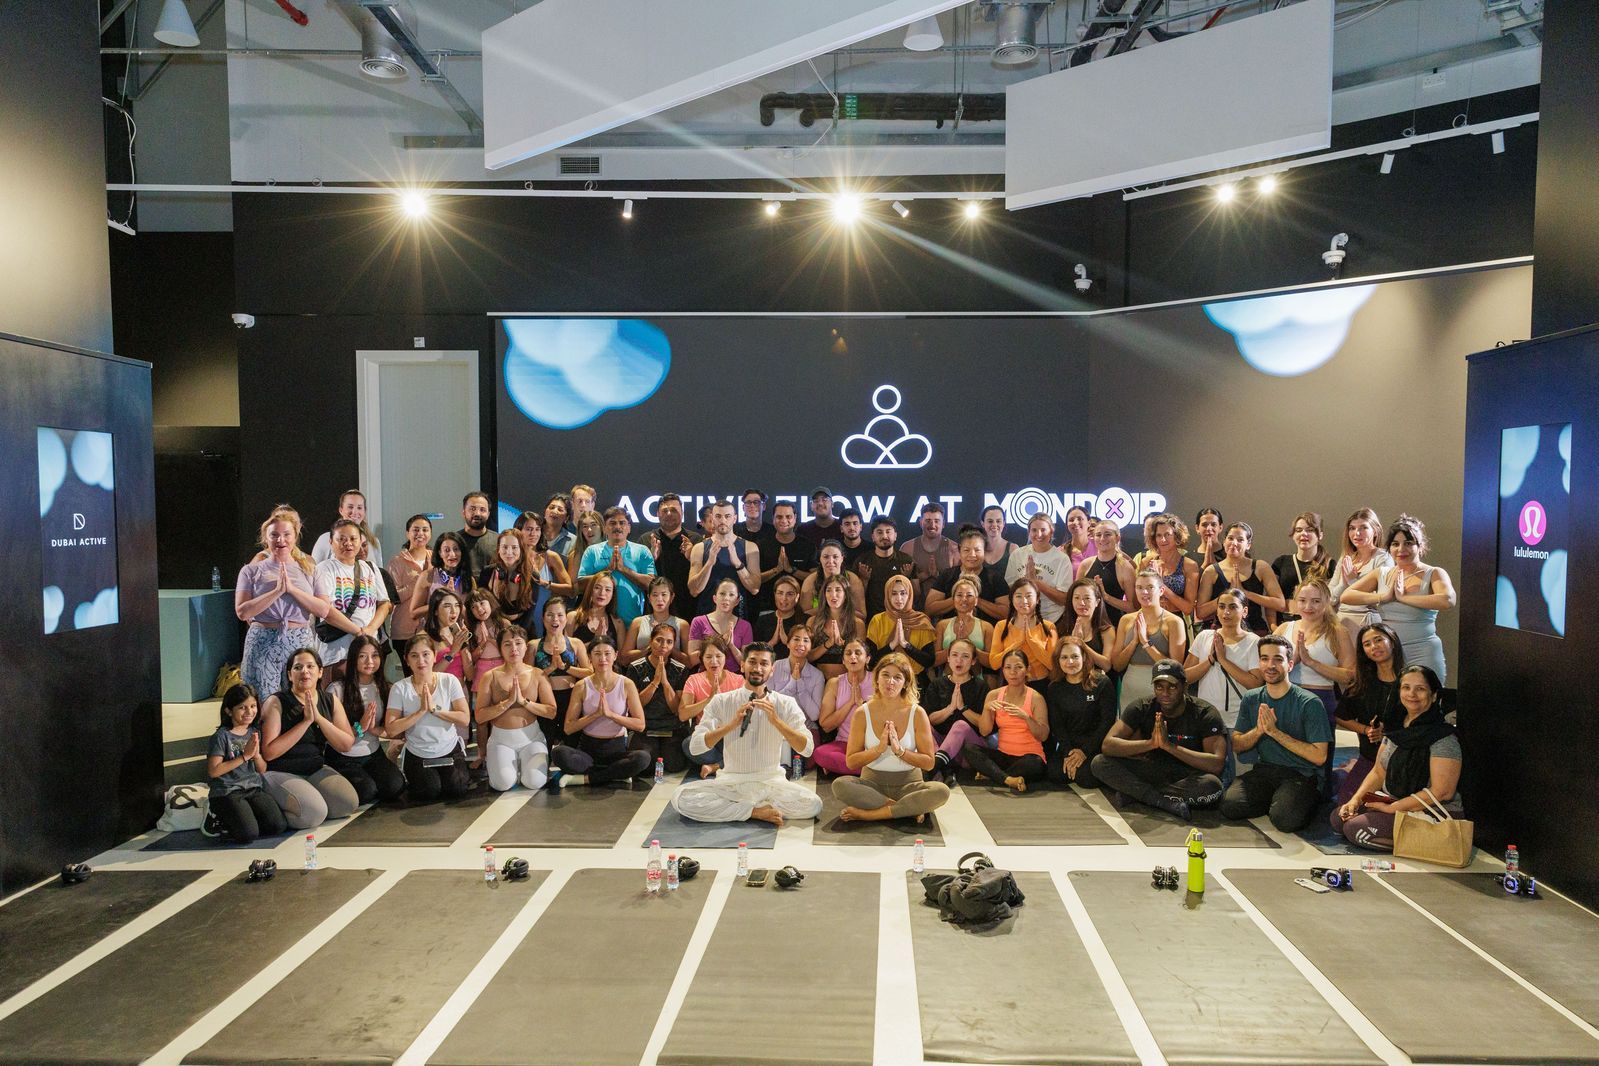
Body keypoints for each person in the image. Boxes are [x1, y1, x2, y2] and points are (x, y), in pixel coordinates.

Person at [671, 643, 823, 826]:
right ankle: (753, 811)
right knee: (681, 798)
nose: (758, 668)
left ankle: (739, 809)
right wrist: (730, 725)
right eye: (752, 662)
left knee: (814, 804)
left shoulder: (785, 703)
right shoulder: (722, 701)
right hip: (732, 783)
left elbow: (806, 749)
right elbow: (695, 747)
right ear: (742, 665)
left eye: (764, 664)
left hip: (771, 783)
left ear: (772, 670)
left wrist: (777, 722)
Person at [1332, 665, 1462, 850]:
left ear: (1434, 696)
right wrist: (1356, 800)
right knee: (1339, 818)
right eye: (1406, 687)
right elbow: (1378, 773)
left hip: (1431, 811)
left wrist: (1394, 808)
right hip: (1395, 801)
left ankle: (1430, 843)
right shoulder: (1395, 730)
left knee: (1355, 829)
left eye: (1420, 689)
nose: (1412, 694)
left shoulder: (1443, 738)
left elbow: (1442, 792)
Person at [1090, 659, 1226, 820]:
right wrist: (1150, 744)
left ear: (1185, 686)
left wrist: (1169, 746)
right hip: (1151, 769)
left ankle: (1136, 793)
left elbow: (1216, 764)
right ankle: (1159, 800)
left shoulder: (1205, 713)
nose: (1165, 693)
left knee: (1213, 787)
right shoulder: (1142, 706)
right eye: (1159, 687)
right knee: (1099, 762)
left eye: (1172, 687)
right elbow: (1108, 745)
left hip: (1186, 775)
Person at [1221, 636, 1332, 832]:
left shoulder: (1309, 703)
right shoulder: (1251, 698)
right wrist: (1259, 731)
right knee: (1230, 805)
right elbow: (1237, 744)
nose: (1270, 665)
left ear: (1290, 665)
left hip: (1301, 773)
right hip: (1265, 770)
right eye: (1264, 659)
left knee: (1285, 820)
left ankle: (1292, 800)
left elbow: (1319, 756)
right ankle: (1278, 799)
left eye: (1277, 660)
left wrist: (1274, 732)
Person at [1337, 514, 1456, 683]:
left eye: (1408, 543)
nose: (1401, 550)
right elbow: (1346, 595)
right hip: (1389, 654)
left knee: (1425, 699)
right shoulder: (1383, 573)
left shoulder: (1434, 572)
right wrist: (1383, 596)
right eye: (1395, 544)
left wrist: (1403, 598)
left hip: (1423, 650)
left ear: (1420, 546)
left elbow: (1447, 600)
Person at [832, 653, 951, 823]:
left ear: (905, 683)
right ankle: (906, 809)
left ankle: (870, 814)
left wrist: (900, 751)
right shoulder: (862, 713)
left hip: (909, 786)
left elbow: (929, 762)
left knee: (941, 791)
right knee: (840, 785)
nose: (890, 682)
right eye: (885, 675)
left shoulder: (917, 713)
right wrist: (879, 749)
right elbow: (851, 762)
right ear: (877, 679)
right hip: (872, 786)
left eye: (897, 677)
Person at [235, 506, 331, 702]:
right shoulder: (250, 571)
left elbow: (323, 608)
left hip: (299, 641)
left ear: (295, 536)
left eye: (286, 534)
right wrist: (276, 591)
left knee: (300, 698)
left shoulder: (310, 569)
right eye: (274, 535)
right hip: (262, 640)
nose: (281, 540)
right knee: (262, 700)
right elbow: (242, 612)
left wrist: (292, 590)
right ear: (266, 538)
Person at [260, 647, 360, 829]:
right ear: (290, 675)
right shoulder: (276, 702)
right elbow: (269, 753)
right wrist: (305, 722)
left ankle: (305, 796)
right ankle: (272, 808)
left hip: (314, 769)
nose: (304, 672)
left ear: (320, 672)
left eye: (310, 666)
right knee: (314, 815)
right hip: (280, 771)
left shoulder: (329, 700)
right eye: (298, 668)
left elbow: (346, 744)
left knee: (347, 804)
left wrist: (319, 719)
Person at [551, 637, 652, 786]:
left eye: (607, 653)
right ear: (590, 657)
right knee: (559, 753)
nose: (602, 658)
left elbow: (640, 724)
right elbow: (568, 727)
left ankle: (586, 779)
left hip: (616, 751)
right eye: (597, 654)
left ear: (615, 655)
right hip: (588, 751)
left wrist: (611, 715)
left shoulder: (626, 684)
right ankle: (615, 775)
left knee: (643, 758)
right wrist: (595, 715)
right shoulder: (581, 686)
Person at [386, 635, 473, 802]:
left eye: (426, 654)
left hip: (448, 749)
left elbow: (464, 719)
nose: (421, 661)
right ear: (406, 660)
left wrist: (435, 710)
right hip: (419, 753)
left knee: (457, 789)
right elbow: (391, 729)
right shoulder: (399, 688)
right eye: (414, 656)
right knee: (429, 791)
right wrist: (420, 712)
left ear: (434, 656)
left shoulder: (449, 681)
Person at [324, 635, 407, 804]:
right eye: (362, 656)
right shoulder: (337, 689)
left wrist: (375, 730)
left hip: (372, 753)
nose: (369, 661)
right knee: (366, 792)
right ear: (353, 658)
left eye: (375, 655)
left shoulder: (385, 688)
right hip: (344, 756)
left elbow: (392, 730)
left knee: (395, 786)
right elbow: (332, 737)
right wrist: (360, 727)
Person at [205, 684, 289, 843]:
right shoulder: (221, 736)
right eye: (242, 708)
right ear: (229, 710)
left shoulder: (254, 732)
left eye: (252, 706)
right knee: (248, 835)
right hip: (227, 791)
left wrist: (256, 755)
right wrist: (244, 756)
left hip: (252, 788)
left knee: (277, 826)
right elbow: (213, 771)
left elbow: (262, 769)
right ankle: (214, 815)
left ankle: (241, 817)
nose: (249, 712)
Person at [477, 626, 557, 792]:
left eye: (518, 643)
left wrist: (524, 702)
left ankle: (523, 767)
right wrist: (506, 703)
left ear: (526, 646)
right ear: (500, 649)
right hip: (501, 740)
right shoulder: (489, 677)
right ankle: (508, 766)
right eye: (507, 644)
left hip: (531, 738)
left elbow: (551, 711)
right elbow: (480, 716)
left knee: (534, 782)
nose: (513, 649)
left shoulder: (537, 674)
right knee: (502, 784)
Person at [1333, 622, 1404, 804]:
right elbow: (1341, 716)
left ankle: (1349, 768)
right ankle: (1348, 770)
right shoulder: (1362, 683)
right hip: (1370, 759)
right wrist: (1366, 730)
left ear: (1392, 641)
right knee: (1343, 814)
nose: (1374, 647)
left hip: (1403, 761)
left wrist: (1387, 733)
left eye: (1379, 640)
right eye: (1367, 644)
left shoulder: (1410, 680)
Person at [312, 519, 390, 684]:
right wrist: (358, 631)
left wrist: (369, 629)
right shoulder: (324, 569)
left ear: (361, 540)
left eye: (353, 539)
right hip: (336, 653)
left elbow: (384, 604)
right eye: (341, 539)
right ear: (331, 542)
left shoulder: (370, 567)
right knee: (337, 700)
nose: (348, 543)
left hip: (368, 650)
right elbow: (326, 610)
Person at [962, 649, 1049, 792]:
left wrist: (1026, 717)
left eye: (1018, 667)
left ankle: (994, 775)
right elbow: (985, 731)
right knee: (969, 749)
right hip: (1004, 756)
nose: (1013, 672)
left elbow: (1043, 735)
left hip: (1028, 758)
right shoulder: (994, 695)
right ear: (1003, 670)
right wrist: (987, 709)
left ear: (1027, 670)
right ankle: (1008, 779)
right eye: (1008, 667)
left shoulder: (1036, 698)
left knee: (1035, 764)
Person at [1272, 578, 1354, 720]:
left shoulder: (1338, 632)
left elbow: (1350, 676)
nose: (1308, 607)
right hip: (1284, 696)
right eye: (1302, 600)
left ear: (1327, 602)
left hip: (1320, 699)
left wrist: (1312, 662)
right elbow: (1266, 667)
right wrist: (1293, 661)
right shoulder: (1284, 628)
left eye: (1316, 601)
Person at [1183, 588, 1262, 728]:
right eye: (1221, 607)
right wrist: (1210, 660)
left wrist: (1223, 660)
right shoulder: (1204, 636)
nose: (1226, 612)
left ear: (1244, 611)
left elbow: (1255, 684)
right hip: (1206, 716)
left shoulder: (1253, 641)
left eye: (1232, 607)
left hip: (1238, 719)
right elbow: (1185, 677)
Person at [1045, 637, 1117, 790]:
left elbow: (1107, 722)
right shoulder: (1054, 688)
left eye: (1075, 656)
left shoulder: (1102, 683)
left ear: (1084, 657)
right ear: (1058, 660)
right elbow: (1057, 725)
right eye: (1064, 657)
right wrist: (1069, 752)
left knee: (1086, 779)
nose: (1070, 662)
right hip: (1070, 746)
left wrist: (1084, 752)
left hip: (1095, 745)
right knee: (1055, 774)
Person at [1112, 568, 1188, 706]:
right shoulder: (1126, 620)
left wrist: (1146, 643)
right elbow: (1117, 665)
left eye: (1150, 587)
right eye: (1139, 587)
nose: (1144, 592)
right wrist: (1134, 641)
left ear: (1161, 591)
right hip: (1131, 687)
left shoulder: (1174, 622)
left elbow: (1175, 667)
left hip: (1162, 688)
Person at [1195, 522, 1286, 635]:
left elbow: (1280, 604)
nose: (1234, 543)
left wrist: (1245, 593)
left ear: (1248, 545)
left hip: (1255, 630)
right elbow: (1200, 612)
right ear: (1224, 542)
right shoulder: (1211, 571)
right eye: (1230, 538)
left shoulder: (1260, 567)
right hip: (1222, 632)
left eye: (1240, 540)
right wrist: (1226, 597)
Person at [627, 623, 691, 773]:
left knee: (674, 764)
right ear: (651, 641)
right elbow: (636, 705)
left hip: (672, 726)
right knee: (646, 767)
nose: (663, 645)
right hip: (647, 727)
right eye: (659, 640)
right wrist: (655, 682)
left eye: (669, 642)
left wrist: (665, 682)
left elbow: (676, 708)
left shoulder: (680, 669)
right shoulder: (635, 667)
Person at [576, 507, 657, 625]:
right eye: (612, 523)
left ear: (629, 528)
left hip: (632, 622)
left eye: (622, 523)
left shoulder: (642, 551)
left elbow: (652, 585)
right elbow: (580, 585)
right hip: (597, 622)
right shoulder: (592, 551)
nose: (617, 527)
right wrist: (607, 570)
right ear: (604, 528)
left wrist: (624, 570)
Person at [924, 637, 989, 781]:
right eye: (954, 655)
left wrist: (963, 708)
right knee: (922, 724)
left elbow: (985, 726)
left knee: (960, 725)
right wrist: (950, 708)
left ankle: (934, 768)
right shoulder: (937, 684)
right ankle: (946, 769)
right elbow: (930, 719)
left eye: (965, 656)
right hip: (941, 747)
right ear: (947, 658)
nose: (959, 660)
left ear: (973, 661)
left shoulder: (981, 686)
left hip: (969, 752)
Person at [679, 634, 744, 775]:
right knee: (688, 745)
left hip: (732, 735)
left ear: (725, 657)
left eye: (718, 656)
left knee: (750, 742)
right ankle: (728, 763)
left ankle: (716, 766)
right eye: (708, 657)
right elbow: (683, 714)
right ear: (702, 659)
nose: (714, 661)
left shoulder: (738, 680)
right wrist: (709, 699)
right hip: (708, 735)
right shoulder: (693, 680)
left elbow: (745, 713)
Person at [687, 499, 761, 619]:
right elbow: (694, 590)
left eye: (727, 516)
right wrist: (709, 563)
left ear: (735, 518)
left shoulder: (749, 547)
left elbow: (754, 588)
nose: (723, 521)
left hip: (738, 618)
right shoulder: (699, 548)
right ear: (712, 518)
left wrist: (738, 563)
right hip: (707, 618)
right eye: (718, 516)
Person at [813, 638, 874, 777]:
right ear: (843, 660)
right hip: (845, 743)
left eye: (858, 653)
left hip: (873, 745)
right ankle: (871, 769)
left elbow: (887, 719)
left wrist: (861, 705)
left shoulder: (878, 681)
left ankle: (847, 767)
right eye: (848, 653)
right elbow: (826, 725)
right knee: (820, 754)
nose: (853, 656)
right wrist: (851, 702)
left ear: (867, 659)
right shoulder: (835, 683)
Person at [1328, 508, 1392, 637]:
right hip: (1341, 621)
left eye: (1363, 528)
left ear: (1375, 531)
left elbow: (1382, 598)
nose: (1357, 533)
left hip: (1368, 624)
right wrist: (1344, 584)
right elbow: (1330, 598)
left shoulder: (1383, 557)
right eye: (1352, 528)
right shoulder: (1345, 558)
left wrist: (1352, 582)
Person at [925, 526, 1010, 620]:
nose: (972, 555)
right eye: (966, 550)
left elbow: (1006, 613)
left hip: (987, 632)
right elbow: (929, 608)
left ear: (984, 552)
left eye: (977, 550)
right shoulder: (947, 575)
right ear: (959, 552)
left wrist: (975, 599)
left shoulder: (995, 578)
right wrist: (959, 598)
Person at [510, 511, 573, 637]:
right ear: (518, 531)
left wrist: (545, 583)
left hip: (544, 621)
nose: (533, 534)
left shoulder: (551, 557)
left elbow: (570, 590)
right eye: (528, 529)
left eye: (537, 529)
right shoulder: (510, 558)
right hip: (517, 619)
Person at [1004, 513, 1074, 624]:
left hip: (1053, 620)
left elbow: (1063, 599)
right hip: (1023, 620)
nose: (1039, 534)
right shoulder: (1017, 555)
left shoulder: (1062, 559)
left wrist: (1035, 582)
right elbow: (1009, 590)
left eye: (1043, 530)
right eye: (1034, 530)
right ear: (1029, 532)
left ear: (1051, 532)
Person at [989, 579, 1057, 691]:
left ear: (1038, 599)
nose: (1024, 601)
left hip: (1040, 684)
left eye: (1029, 596)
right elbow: (994, 663)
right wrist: (1016, 644)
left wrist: (1031, 641)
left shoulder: (1049, 627)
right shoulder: (1001, 626)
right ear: (1011, 599)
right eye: (1019, 596)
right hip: (1010, 684)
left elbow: (1053, 665)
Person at [534, 598, 591, 731]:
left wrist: (565, 667)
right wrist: (551, 668)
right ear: (542, 618)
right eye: (550, 615)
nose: (555, 619)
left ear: (566, 618)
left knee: (570, 746)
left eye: (560, 615)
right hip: (544, 700)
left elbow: (589, 672)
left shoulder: (576, 643)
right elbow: (527, 679)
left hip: (571, 699)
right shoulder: (534, 645)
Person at [769, 626, 825, 757]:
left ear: (811, 646)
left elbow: (814, 715)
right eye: (796, 639)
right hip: (777, 724)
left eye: (806, 640)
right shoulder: (775, 667)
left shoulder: (817, 675)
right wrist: (792, 683)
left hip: (805, 727)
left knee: (808, 759)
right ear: (788, 643)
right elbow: (771, 703)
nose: (801, 644)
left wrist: (799, 685)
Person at [866, 574, 937, 675]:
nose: (899, 598)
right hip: (884, 679)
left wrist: (906, 645)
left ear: (910, 594)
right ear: (887, 595)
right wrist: (892, 645)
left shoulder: (921, 621)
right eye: (894, 594)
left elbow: (929, 661)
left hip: (915, 681)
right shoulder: (877, 621)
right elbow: (870, 661)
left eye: (903, 593)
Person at [386, 514, 433, 663]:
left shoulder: (436, 558)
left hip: (432, 629)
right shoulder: (397, 562)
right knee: (410, 675)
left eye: (425, 530)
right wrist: (420, 579)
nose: (420, 534)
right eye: (416, 529)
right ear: (408, 533)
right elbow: (394, 597)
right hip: (404, 630)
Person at [1134, 513, 1200, 617]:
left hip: (1176, 622)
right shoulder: (1146, 562)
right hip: (1150, 620)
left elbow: (1188, 608)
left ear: (1176, 536)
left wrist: (1161, 586)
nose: (1163, 540)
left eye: (1167, 535)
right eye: (1158, 535)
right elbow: (1139, 602)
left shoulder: (1189, 566)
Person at [405, 532, 472, 635]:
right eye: (446, 550)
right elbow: (414, 613)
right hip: (431, 636)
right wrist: (440, 600)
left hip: (459, 635)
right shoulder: (427, 576)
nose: (452, 554)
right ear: (440, 553)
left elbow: (471, 617)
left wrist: (456, 600)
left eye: (456, 549)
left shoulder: (468, 579)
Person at [644, 493, 700, 615]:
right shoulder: (646, 539)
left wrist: (692, 556)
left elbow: (703, 577)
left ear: (682, 512)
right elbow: (640, 579)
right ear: (657, 514)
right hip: (655, 609)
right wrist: (651, 558)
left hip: (690, 607)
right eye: (665, 510)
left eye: (674, 510)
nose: (669, 514)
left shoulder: (696, 540)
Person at [756, 501, 817, 611]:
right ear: (773, 519)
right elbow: (754, 579)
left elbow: (815, 578)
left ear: (795, 518)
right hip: (767, 609)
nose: (784, 520)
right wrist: (776, 570)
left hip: (801, 609)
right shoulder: (761, 546)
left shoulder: (807, 546)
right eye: (779, 517)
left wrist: (792, 570)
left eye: (788, 516)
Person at [1272, 512, 1330, 621]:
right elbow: (1272, 601)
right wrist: (1273, 627)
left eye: (1310, 530)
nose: (1304, 534)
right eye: (1298, 530)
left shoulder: (1329, 564)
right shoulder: (1280, 562)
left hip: (1317, 625)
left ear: (1320, 535)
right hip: (1284, 625)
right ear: (1293, 535)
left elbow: (1332, 602)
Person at [807, 574, 866, 679]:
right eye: (829, 590)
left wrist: (843, 647)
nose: (833, 595)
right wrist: (828, 644)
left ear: (846, 594)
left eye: (838, 590)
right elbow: (807, 657)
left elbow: (860, 659)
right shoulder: (813, 622)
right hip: (817, 680)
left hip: (848, 680)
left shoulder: (858, 624)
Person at [1076, 519, 1136, 624]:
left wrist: (1106, 597)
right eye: (1098, 535)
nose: (1102, 539)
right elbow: (1075, 598)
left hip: (1114, 626)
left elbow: (1133, 608)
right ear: (1093, 538)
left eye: (1108, 534)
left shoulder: (1125, 568)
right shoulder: (1085, 565)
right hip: (1087, 627)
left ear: (1117, 538)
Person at [622, 576, 690, 667]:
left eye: (664, 594)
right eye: (655, 594)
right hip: (642, 674)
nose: (659, 599)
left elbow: (689, 662)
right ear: (649, 598)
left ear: (672, 597)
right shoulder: (638, 622)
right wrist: (650, 647)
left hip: (673, 675)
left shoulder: (682, 625)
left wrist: (664, 643)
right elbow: (623, 659)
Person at [689, 578, 755, 668]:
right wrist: (718, 643)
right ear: (715, 598)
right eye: (722, 594)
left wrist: (731, 646)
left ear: (737, 601)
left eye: (731, 595)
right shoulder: (698, 621)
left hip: (734, 677)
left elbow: (747, 665)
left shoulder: (745, 626)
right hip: (706, 676)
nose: (726, 598)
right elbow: (691, 660)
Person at [856, 517, 914, 618]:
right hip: (872, 619)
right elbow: (855, 598)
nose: (884, 536)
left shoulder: (906, 561)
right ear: (872, 536)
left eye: (888, 532)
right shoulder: (863, 562)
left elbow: (916, 594)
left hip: (901, 617)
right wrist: (864, 580)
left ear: (895, 535)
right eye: (879, 532)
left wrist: (906, 580)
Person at [932, 575, 993, 669]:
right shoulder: (942, 625)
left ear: (976, 601)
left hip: (976, 680)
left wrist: (969, 647)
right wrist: (955, 645)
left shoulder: (986, 627)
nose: (964, 599)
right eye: (959, 595)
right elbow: (934, 661)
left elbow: (992, 663)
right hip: (946, 680)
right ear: (953, 599)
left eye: (969, 595)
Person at [901, 503, 958, 603]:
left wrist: (937, 575)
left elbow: (959, 586)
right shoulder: (907, 548)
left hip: (945, 611)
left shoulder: (954, 549)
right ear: (920, 522)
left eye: (937, 521)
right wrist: (925, 575)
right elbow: (899, 584)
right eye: (928, 521)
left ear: (943, 524)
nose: (932, 525)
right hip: (914, 611)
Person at [480, 529, 534, 632]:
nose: (509, 552)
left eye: (514, 547)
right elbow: (481, 604)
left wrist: (515, 634)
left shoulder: (532, 576)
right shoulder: (487, 572)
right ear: (498, 549)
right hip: (494, 627)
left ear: (521, 550)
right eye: (505, 547)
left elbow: (530, 613)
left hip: (523, 630)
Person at [801, 540, 867, 620]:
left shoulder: (852, 579)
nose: (831, 561)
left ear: (842, 558)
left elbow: (862, 616)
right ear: (820, 559)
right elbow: (804, 615)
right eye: (826, 557)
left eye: (835, 557)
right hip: (817, 626)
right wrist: (831, 607)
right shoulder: (810, 581)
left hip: (846, 626)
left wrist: (837, 609)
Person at [1062, 578, 1117, 675]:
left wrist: (1081, 644)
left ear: (1097, 602)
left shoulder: (1107, 630)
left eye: (1087, 598)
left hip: (1097, 684)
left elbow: (1107, 666)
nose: (1082, 603)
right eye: (1077, 598)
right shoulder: (1062, 627)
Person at [311, 489, 382, 564]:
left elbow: (380, 571)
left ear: (364, 511)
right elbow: (313, 570)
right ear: (341, 510)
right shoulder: (325, 539)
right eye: (350, 507)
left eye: (359, 508)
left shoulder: (373, 541)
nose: (355, 512)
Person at [441, 491, 495, 576]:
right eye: (472, 509)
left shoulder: (499, 541)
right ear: (464, 513)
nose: (477, 513)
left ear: (488, 514)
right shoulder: (452, 541)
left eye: (482, 510)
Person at [752, 574, 808, 651]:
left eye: (790, 594)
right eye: (780, 593)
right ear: (774, 595)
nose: (784, 598)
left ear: (797, 597)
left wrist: (788, 642)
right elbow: (755, 653)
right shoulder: (763, 620)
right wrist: (772, 642)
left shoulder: (806, 620)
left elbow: (810, 654)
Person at [568, 571, 624, 647]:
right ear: (590, 590)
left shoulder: (618, 623)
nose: (602, 593)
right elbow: (566, 653)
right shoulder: (573, 617)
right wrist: (596, 641)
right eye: (597, 588)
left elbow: (621, 657)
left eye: (607, 590)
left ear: (612, 595)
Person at [565, 510, 604, 587]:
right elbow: (574, 587)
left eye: (593, 525)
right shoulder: (576, 554)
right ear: (581, 531)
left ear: (602, 527)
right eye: (585, 526)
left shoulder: (612, 549)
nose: (589, 530)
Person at [979, 505, 1014, 573]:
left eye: (998, 521)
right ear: (983, 523)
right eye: (990, 521)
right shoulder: (976, 548)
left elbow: (1020, 579)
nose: (994, 525)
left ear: (1003, 523)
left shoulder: (1013, 549)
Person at [1191, 508, 1225, 575]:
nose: (1209, 528)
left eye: (1213, 524)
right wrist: (1204, 566)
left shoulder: (1230, 555)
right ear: (1197, 528)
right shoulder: (1189, 558)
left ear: (1220, 528)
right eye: (1204, 525)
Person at [543, 493, 575, 559]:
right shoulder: (533, 532)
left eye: (560, 510)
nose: (554, 511)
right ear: (545, 512)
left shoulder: (573, 541)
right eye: (551, 507)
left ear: (567, 518)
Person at [1063, 505, 1094, 572]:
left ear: (1089, 523)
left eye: (1080, 519)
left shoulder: (1099, 546)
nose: (1075, 522)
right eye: (1071, 520)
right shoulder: (1060, 552)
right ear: (1067, 525)